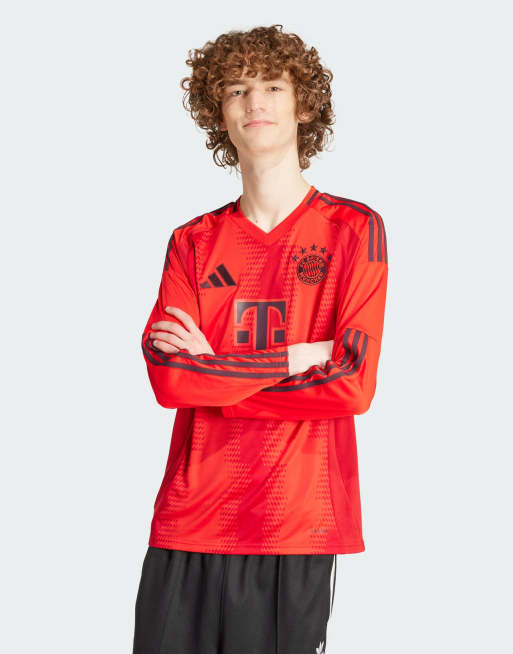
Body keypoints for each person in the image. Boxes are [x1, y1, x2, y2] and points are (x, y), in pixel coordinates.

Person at [133, 23, 388, 654]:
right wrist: (300, 356)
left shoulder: (354, 229)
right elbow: (171, 380)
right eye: (236, 89)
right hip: (190, 518)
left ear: (304, 105)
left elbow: (352, 385)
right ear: (217, 113)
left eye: (273, 85)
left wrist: (217, 373)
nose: (255, 101)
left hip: (296, 522)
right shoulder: (192, 242)